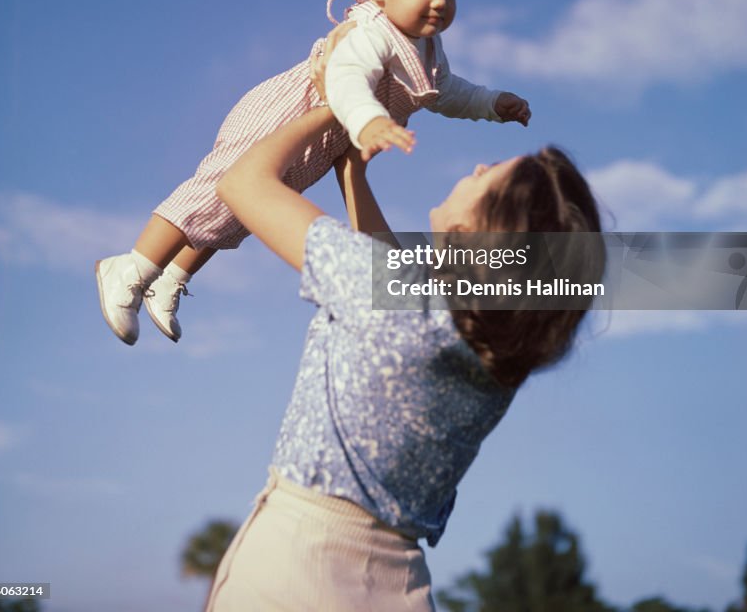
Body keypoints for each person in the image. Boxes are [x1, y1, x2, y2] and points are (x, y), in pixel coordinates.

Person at [202, 100, 604, 610]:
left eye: (489, 176)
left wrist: (334, 106)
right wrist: (352, 173)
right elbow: (388, 286)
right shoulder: (492, 357)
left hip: (299, 567)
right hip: (401, 584)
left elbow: (243, 183)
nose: (477, 167)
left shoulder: (399, 299)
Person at [95, 0, 531, 345]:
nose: (440, 2)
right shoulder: (371, 33)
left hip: (323, 142)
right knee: (213, 191)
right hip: (283, 116)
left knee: (237, 217)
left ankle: (173, 274)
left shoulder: (426, 49)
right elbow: (346, 81)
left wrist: (492, 103)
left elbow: (447, 91)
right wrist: (370, 121)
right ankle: (132, 266)